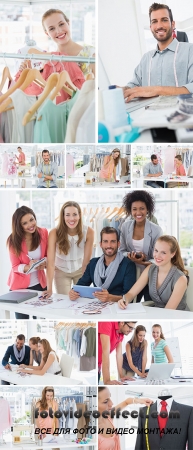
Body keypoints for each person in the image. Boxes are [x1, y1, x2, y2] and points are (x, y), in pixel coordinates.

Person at [123, 3, 193, 103]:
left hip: (183, 115)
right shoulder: (146, 58)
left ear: (172, 24)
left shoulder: (190, 50)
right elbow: (134, 85)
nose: (159, 26)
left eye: (164, 20)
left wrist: (158, 90)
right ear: (151, 27)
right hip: (149, 115)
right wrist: (122, 90)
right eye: (154, 22)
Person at [19, 8, 95, 79]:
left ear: (68, 23)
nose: (58, 31)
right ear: (47, 34)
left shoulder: (91, 54)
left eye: (61, 24)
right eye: (52, 29)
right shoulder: (48, 61)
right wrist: (30, 74)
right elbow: (47, 90)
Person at [118, 235, 189, 310]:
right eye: (156, 250)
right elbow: (131, 293)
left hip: (177, 318)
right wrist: (125, 299)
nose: (157, 256)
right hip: (158, 316)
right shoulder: (150, 269)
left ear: (173, 254)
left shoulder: (181, 279)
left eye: (163, 253)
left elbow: (168, 312)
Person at [69, 227, 136, 303]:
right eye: (105, 241)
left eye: (113, 241)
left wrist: (110, 298)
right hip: (97, 306)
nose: (109, 245)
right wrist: (73, 292)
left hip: (118, 308)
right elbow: (80, 285)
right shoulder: (93, 263)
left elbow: (129, 296)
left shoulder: (128, 265)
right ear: (101, 244)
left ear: (118, 244)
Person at [119, 190, 163, 301]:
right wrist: (131, 255)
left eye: (142, 208)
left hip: (151, 275)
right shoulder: (125, 226)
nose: (138, 212)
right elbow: (121, 251)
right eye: (134, 209)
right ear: (130, 210)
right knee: (130, 305)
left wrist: (144, 262)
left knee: (151, 305)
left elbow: (160, 258)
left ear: (147, 209)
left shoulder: (156, 230)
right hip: (131, 275)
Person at [45, 201, 94, 297]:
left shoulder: (89, 232)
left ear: (79, 215)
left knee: (81, 300)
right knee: (65, 300)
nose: (71, 218)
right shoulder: (54, 233)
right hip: (61, 271)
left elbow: (86, 262)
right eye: (67, 215)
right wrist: (49, 288)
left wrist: (84, 284)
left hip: (80, 270)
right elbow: (50, 262)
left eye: (75, 214)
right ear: (63, 216)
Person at [7, 205, 48, 319]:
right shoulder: (13, 240)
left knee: (41, 317)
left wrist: (45, 263)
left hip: (40, 285)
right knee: (22, 319)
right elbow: (15, 266)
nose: (30, 225)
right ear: (19, 226)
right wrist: (28, 266)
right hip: (19, 288)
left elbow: (48, 256)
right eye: (24, 223)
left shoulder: (43, 232)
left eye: (31, 220)